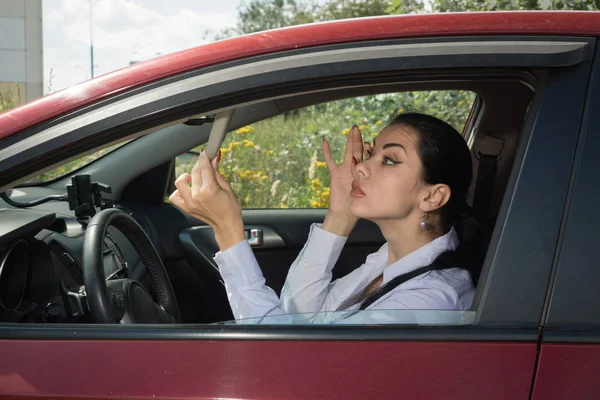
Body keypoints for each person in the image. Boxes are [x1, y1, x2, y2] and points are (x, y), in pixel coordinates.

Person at [169, 112, 477, 324]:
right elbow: (299, 317)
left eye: (389, 160)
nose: (361, 167)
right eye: (370, 154)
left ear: (432, 197)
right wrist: (339, 217)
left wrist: (228, 230)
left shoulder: (429, 299)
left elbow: (286, 361)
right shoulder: (391, 260)